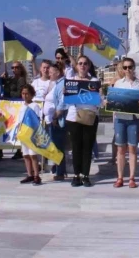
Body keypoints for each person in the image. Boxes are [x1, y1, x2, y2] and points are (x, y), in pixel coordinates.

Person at [57, 55, 99, 187]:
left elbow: (98, 101)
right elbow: (65, 102)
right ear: (76, 66)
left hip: (89, 117)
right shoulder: (70, 81)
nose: (82, 66)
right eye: (80, 63)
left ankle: (86, 175)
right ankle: (76, 175)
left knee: (87, 147)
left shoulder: (94, 80)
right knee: (76, 147)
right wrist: (65, 93)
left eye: (85, 63)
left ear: (89, 66)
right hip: (73, 117)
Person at [111, 57, 139, 189]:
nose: (127, 70)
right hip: (120, 118)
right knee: (120, 149)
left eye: (130, 67)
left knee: (132, 149)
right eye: (125, 67)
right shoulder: (118, 83)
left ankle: (131, 177)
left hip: (134, 119)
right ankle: (120, 177)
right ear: (122, 69)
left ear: (134, 68)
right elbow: (113, 100)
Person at [17, 84, 43, 185]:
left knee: (33, 155)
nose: (25, 96)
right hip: (23, 133)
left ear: (32, 95)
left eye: (27, 94)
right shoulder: (22, 106)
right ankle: (29, 174)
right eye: (23, 93)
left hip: (32, 134)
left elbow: (37, 120)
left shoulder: (35, 106)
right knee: (26, 155)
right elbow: (20, 120)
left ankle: (36, 175)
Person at [48, 62, 68, 181]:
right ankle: (59, 169)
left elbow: (62, 103)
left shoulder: (61, 85)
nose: (49, 74)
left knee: (59, 147)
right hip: (57, 119)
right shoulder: (58, 84)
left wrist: (55, 117)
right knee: (57, 146)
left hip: (60, 121)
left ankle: (60, 172)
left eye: (51, 72)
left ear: (58, 72)